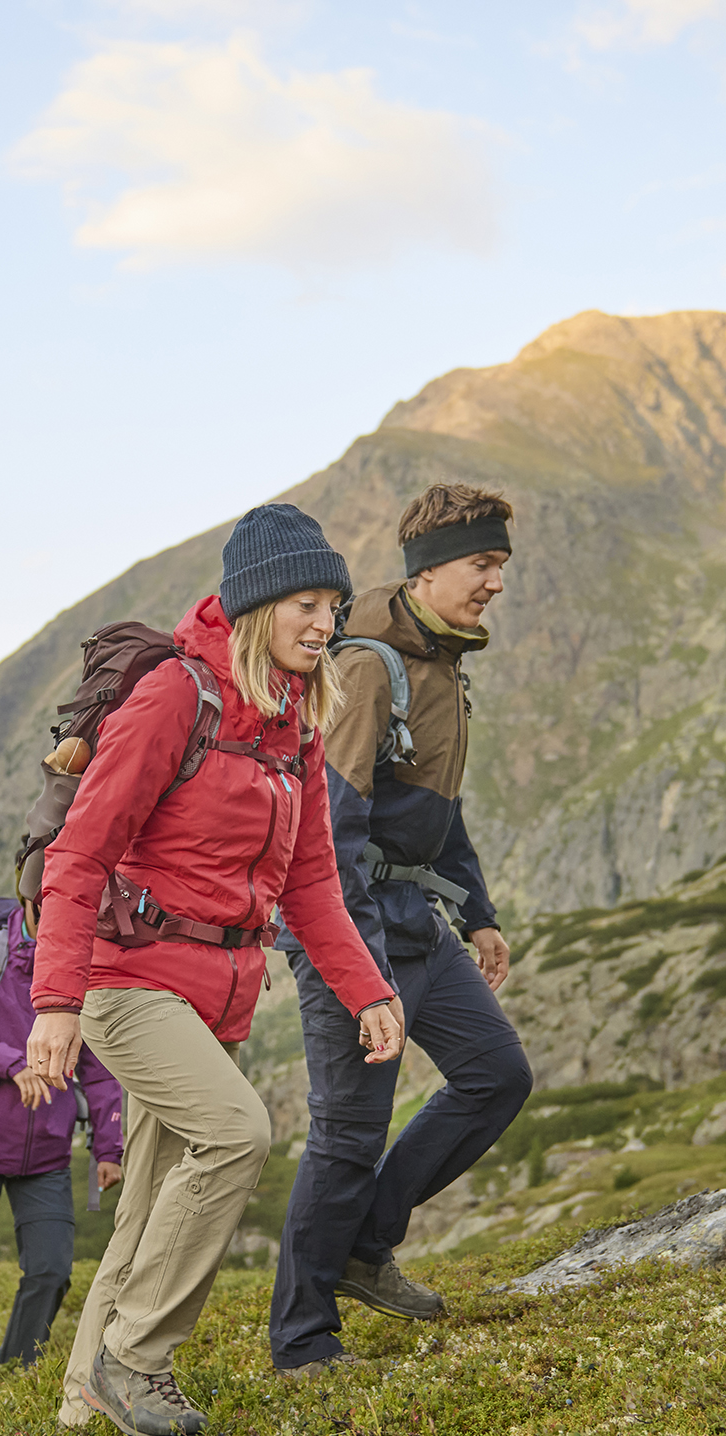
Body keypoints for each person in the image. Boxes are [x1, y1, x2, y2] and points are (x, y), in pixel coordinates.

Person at [24, 503, 405, 1436]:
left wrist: (368, 990)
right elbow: (79, 856)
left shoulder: (297, 725)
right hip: (127, 981)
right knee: (238, 1132)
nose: (324, 623)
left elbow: (311, 881)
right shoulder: (174, 699)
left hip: (217, 995)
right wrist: (56, 1004)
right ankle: (138, 1359)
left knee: (150, 1204)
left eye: (334, 604)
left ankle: (82, 1405)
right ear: (254, 607)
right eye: (305, 603)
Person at [269, 483, 535, 1375]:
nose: (495, 580)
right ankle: (302, 1341)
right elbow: (328, 833)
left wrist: (480, 911)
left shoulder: (445, 663)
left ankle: (364, 1245)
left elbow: (436, 811)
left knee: (496, 1075)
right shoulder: (368, 666)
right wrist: (364, 974)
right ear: (430, 569)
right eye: (483, 564)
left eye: (499, 563)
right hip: (352, 929)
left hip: (418, 920)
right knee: (349, 1128)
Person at [0, 897, 126, 1371]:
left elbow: (100, 1070)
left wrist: (108, 1148)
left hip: (48, 1155)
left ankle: (14, 1373)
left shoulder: (84, 968)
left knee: (51, 1271)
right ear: (32, 894)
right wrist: (11, 1064)